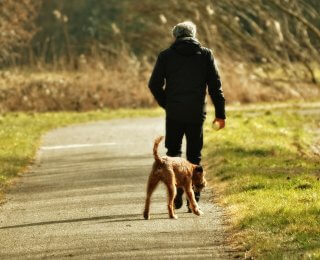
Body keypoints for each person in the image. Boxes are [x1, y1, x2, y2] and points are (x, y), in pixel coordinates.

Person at [148, 21, 226, 211]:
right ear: (194, 34)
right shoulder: (205, 54)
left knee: (173, 154)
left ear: (175, 37)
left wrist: (167, 103)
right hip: (196, 112)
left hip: (174, 113)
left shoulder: (166, 56)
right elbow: (215, 87)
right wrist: (220, 114)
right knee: (194, 155)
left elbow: (154, 84)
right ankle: (195, 196)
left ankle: (177, 195)